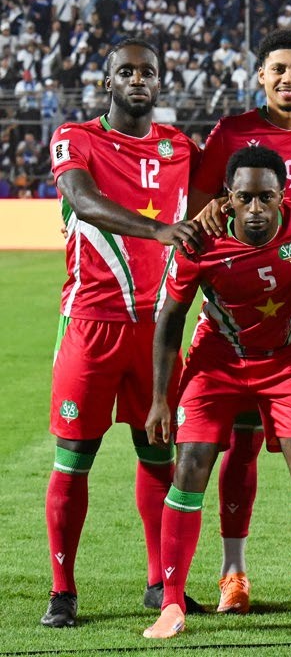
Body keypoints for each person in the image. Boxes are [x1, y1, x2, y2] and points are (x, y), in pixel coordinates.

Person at [142, 146, 291, 639]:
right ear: (228, 198)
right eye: (244, 197)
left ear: (281, 196)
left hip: (285, 360)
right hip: (217, 361)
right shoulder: (197, 241)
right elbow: (169, 319)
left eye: (265, 198)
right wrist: (161, 398)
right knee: (190, 465)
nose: (254, 209)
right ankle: (172, 604)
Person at [187, 29, 291, 614]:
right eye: (277, 69)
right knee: (241, 441)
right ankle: (233, 573)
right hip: (240, 311)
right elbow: (201, 208)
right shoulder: (231, 133)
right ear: (261, 75)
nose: (288, 79)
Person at [42, 38, 203, 627]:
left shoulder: (180, 146)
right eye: (127, 72)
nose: (139, 80)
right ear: (108, 80)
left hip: (157, 328)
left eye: (149, 72)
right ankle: (63, 591)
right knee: (74, 459)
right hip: (90, 325)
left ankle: (161, 584)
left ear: (160, 83)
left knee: (158, 457)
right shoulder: (75, 137)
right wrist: (156, 232)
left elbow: (234, 176)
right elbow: (82, 201)